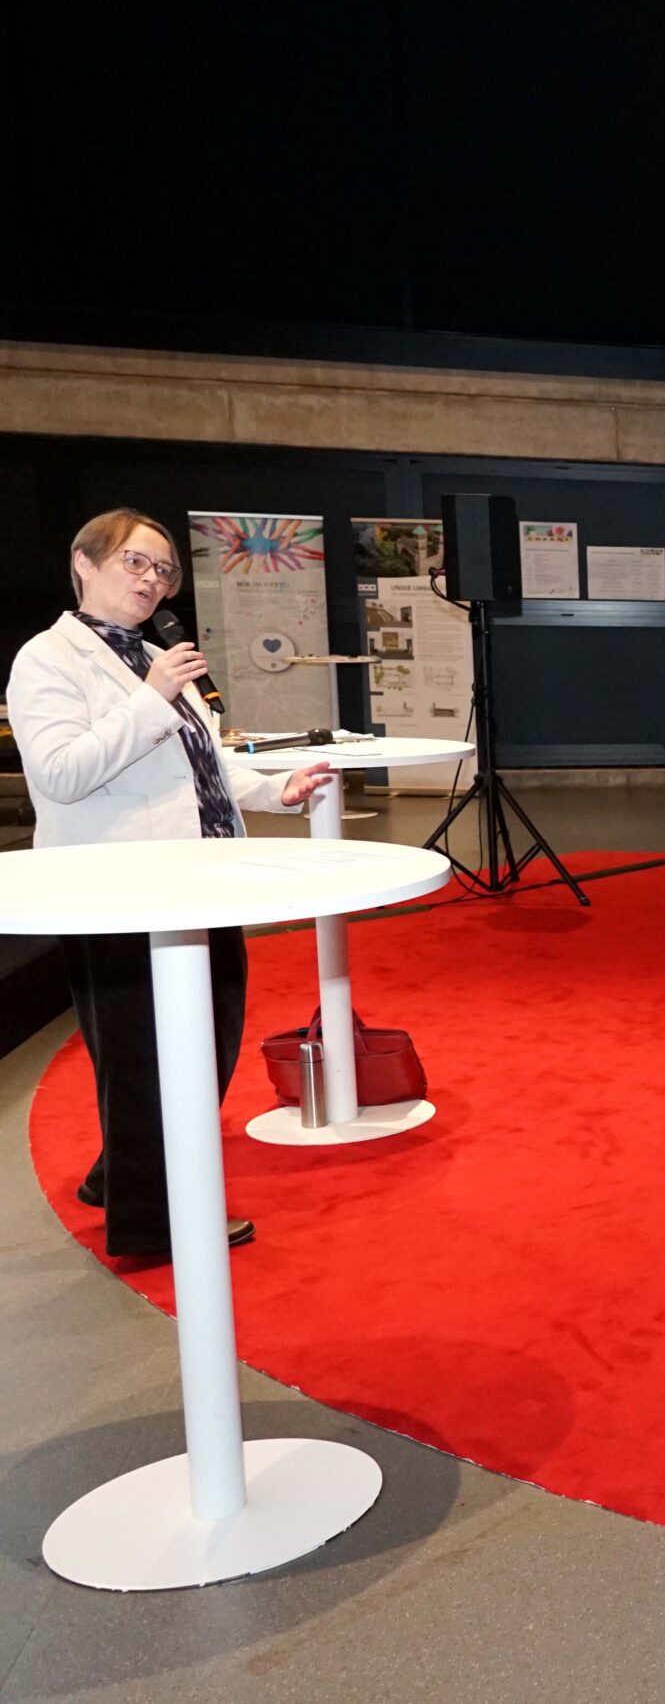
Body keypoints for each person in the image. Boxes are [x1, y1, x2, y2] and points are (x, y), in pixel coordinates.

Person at [9, 509, 336, 1258]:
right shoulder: (48, 659)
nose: (152, 580)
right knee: (145, 1056)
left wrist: (274, 786)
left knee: (207, 1040)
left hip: (202, 881)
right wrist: (150, 696)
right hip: (119, 891)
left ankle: (117, 1174)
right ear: (82, 564)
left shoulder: (153, 655)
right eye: (135, 562)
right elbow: (60, 774)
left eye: (163, 570)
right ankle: (156, 1222)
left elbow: (201, 766)